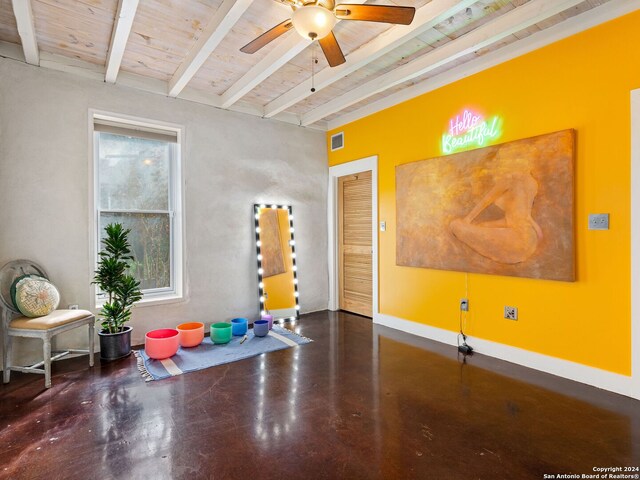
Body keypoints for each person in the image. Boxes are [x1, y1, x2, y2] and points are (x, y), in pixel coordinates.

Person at [449, 144, 543, 264]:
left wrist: (467, 219)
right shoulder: (533, 183)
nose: (498, 164)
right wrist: (484, 225)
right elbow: (522, 217)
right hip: (531, 240)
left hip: (516, 243)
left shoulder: (509, 178)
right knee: (480, 226)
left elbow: (485, 201)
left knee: (455, 225)